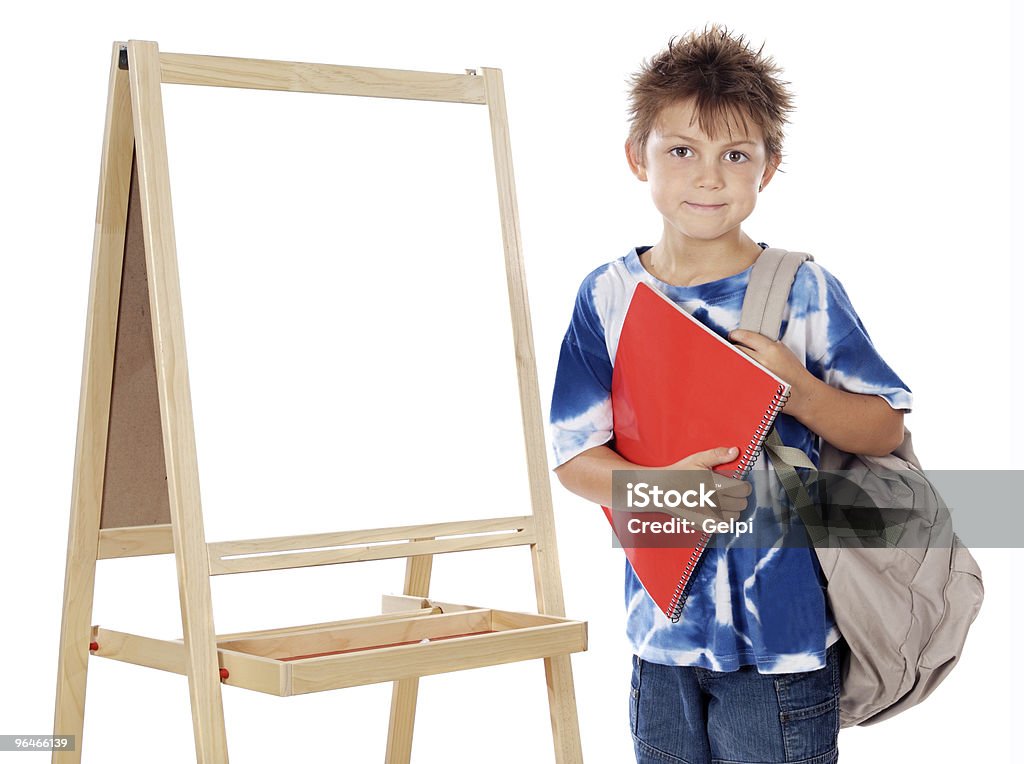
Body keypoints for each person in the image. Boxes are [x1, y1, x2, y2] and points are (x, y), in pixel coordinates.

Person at [547, 25, 913, 764]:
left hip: (781, 648)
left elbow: (882, 429)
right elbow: (572, 457)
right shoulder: (609, 294)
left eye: (735, 155)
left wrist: (800, 390)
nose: (707, 178)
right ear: (636, 157)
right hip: (660, 638)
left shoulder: (802, 289)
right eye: (681, 151)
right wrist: (652, 489)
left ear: (768, 170)